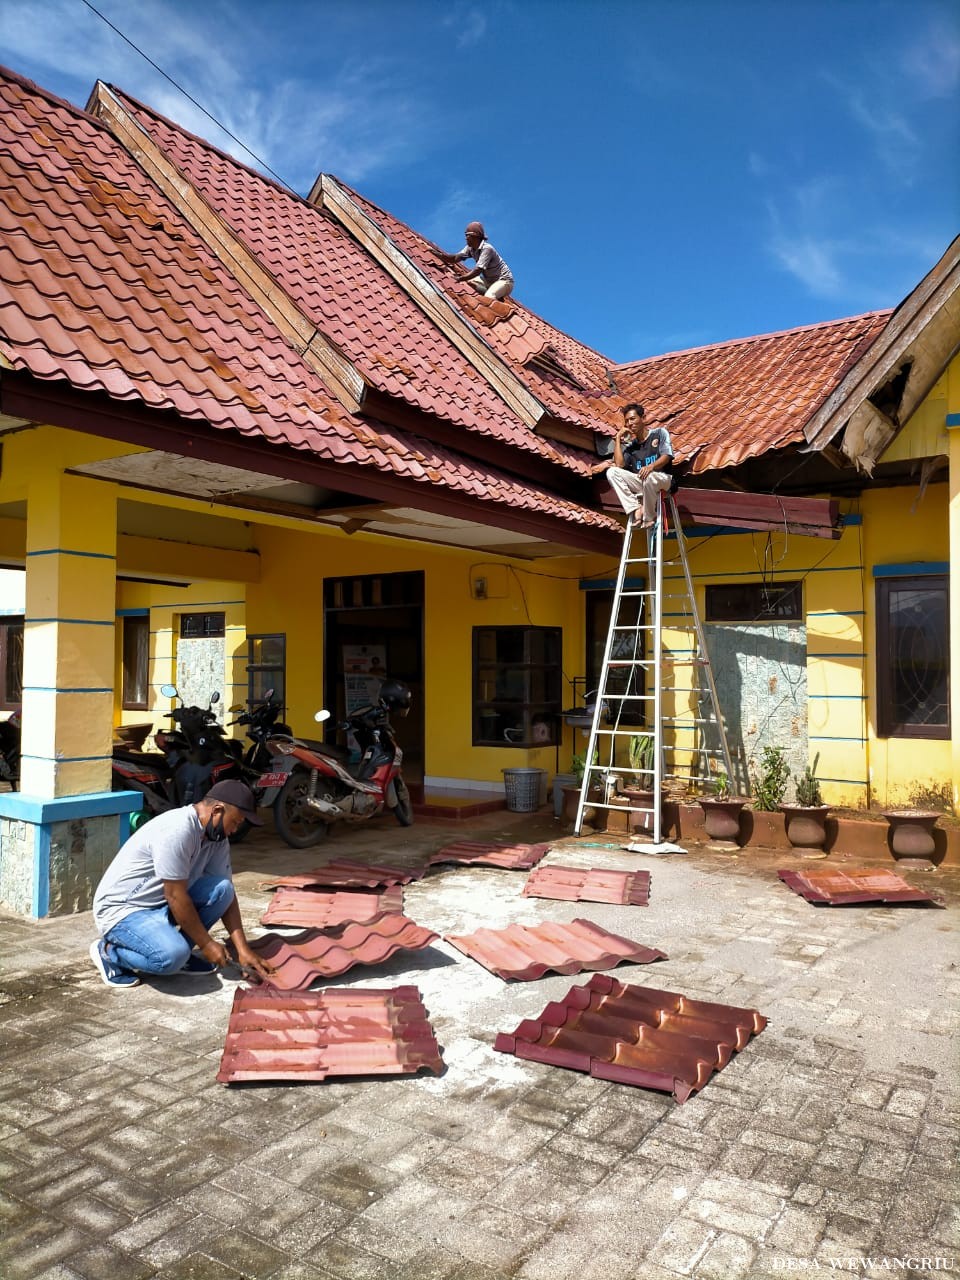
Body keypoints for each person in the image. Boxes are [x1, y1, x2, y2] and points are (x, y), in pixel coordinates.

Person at [89, 780, 274, 989]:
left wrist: (243, 950)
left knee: (223, 890)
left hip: (161, 904)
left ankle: (182, 953)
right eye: (236, 822)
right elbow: (175, 896)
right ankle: (109, 953)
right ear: (218, 810)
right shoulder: (177, 830)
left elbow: (227, 898)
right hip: (124, 910)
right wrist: (206, 944)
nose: (234, 830)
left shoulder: (217, 838)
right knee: (169, 958)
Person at [604, 403, 674, 529]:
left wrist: (651, 467)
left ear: (643, 418)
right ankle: (635, 508)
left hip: (663, 480)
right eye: (627, 421)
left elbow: (667, 456)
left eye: (632, 419)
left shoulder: (659, 433)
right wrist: (618, 439)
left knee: (649, 476)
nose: (630, 423)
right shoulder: (631, 446)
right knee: (612, 472)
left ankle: (648, 517)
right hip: (643, 483)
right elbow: (619, 465)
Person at [440, 222, 514, 299]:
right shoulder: (470, 248)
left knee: (489, 296)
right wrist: (439, 255)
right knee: (469, 282)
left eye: (467, 235)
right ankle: (494, 293)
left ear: (474, 236)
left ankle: (494, 296)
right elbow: (455, 258)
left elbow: (478, 270)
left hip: (504, 281)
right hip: (489, 281)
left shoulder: (487, 249)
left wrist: (460, 278)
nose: (465, 238)